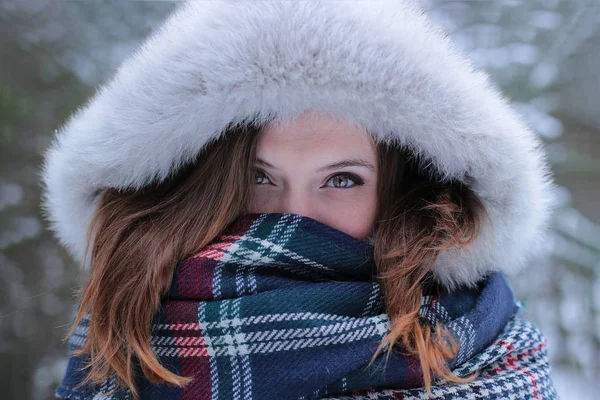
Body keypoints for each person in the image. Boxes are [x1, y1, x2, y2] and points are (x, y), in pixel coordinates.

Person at [41, 1, 558, 399]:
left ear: (405, 194)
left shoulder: (489, 351)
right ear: (198, 189)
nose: (293, 215)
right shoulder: (123, 329)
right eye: (258, 177)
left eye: (342, 180)